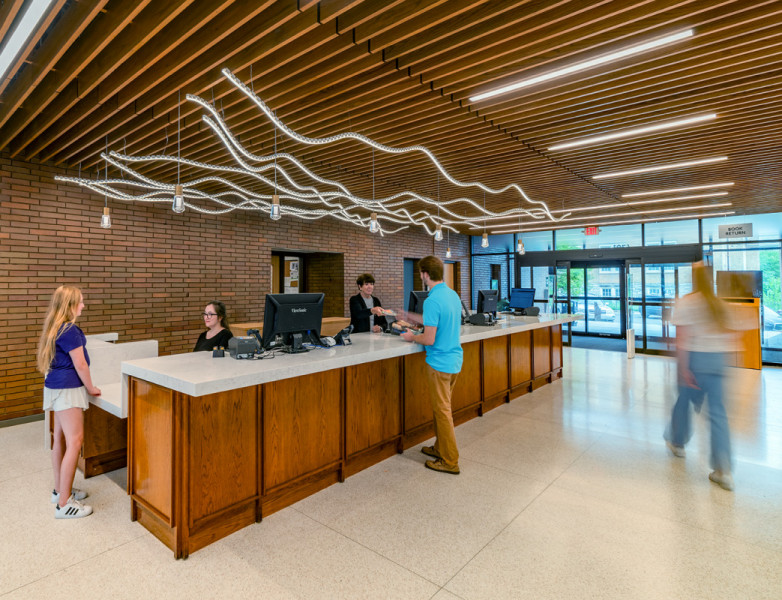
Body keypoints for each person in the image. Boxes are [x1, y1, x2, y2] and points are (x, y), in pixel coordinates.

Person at [664, 262, 742, 491]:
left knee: (683, 401)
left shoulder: (688, 302)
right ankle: (723, 469)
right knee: (718, 413)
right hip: (718, 362)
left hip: (696, 361)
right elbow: (732, 334)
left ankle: (677, 442)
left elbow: (682, 340)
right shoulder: (719, 304)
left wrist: (684, 368)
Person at [36, 285, 101, 518]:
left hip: (54, 387)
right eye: (81, 302)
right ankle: (64, 504)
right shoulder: (71, 330)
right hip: (68, 389)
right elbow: (81, 364)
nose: (83, 305)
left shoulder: (55, 328)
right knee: (75, 441)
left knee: (60, 440)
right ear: (71, 304)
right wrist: (91, 388)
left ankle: (59, 490)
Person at [401, 256, 463, 474]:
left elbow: (429, 339)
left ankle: (450, 461)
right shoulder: (451, 294)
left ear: (424, 274)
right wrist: (411, 316)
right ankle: (440, 448)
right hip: (454, 360)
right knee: (441, 409)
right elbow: (439, 322)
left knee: (443, 411)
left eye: (420, 273)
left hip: (439, 363)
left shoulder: (432, 300)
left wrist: (411, 337)